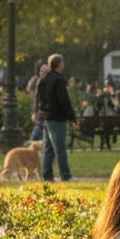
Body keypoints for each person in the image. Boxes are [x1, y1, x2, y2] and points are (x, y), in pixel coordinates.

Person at [36, 53, 76, 182]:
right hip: (57, 118)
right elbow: (64, 100)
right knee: (60, 148)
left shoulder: (44, 79)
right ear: (59, 64)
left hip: (47, 117)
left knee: (48, 149)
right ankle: (66, 175)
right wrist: (71, 117)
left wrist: (40, 112)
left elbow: (39, 97)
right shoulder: (58, 80)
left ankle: (47, 175)